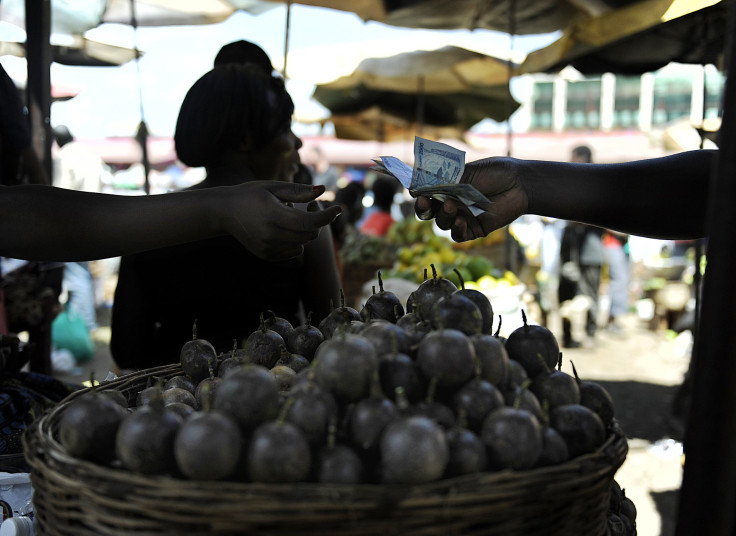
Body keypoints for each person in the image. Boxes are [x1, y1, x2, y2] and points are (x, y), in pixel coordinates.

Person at [110, 64, 342, 371]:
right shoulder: (301, 223)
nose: (297, 143)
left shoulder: (150, 221)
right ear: (246, 140)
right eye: (285, 127)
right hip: (282, 402)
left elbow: (127, 352)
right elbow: (333, 336)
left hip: (173, 406)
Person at [557, 145, 604, 348]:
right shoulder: (570, 180)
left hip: (590, 250)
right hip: (570, 250)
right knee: (565, 294)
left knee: (590, 294)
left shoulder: (598, 181)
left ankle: (590, 335)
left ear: (583, 159)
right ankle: (567, 336)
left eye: (573, 158)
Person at [602, 229, 630, 333]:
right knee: (618, 282)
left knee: (622, 282)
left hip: (622, 246)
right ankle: (611, 321)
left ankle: (614, 319)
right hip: (612, 245)